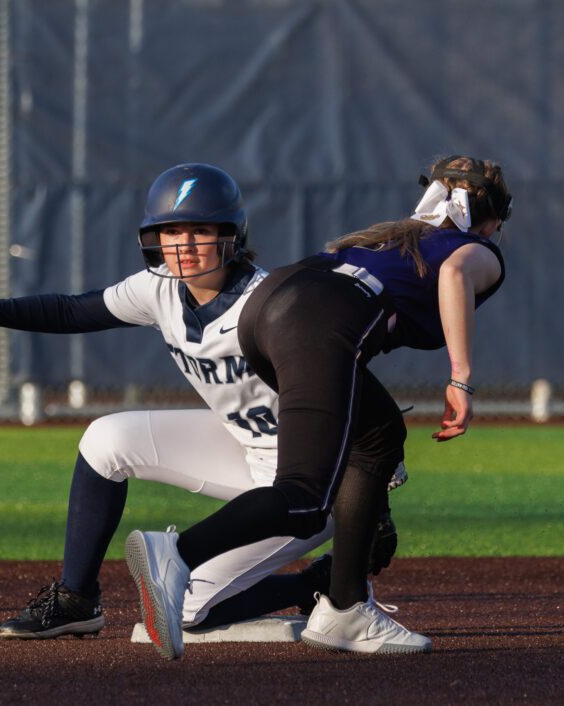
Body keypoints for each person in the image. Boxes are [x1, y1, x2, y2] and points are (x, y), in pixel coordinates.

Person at [0, 163, 401, 640]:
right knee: (106, 438)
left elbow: (354, 388)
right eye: (169, 232)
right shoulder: (158, 287)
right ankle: (77, 601)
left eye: (199, 231)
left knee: (182, 608)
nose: (182, 245)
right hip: (247, 447)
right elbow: (73, 310)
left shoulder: (272, 303)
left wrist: (372, 503)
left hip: (311, 486)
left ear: (232, 235)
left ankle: (318, 584)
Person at [126, 155, 511, 659]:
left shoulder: (390, 235)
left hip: (267, 309)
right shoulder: (475, 247)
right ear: (494, 221)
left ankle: (343, 608)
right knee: (305, 497)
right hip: (312, 321)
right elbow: (457, 273)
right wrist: (460, 378)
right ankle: (176, 554)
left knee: (379, 435)